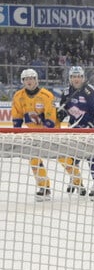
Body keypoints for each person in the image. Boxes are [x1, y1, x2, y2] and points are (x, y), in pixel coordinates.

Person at [11, 68, 69, 201]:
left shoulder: (46, 95)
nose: (29, 81)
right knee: (34, 160)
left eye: (31, 78)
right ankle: (44, 188)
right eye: (26, 79)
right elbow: (17, 115)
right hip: (32, 133)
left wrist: (45, 130)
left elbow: (50, 117)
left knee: (62, 158)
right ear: (23, 81)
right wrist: (17, 131)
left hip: (51, 131)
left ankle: (77, 181)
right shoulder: (18, 96)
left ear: (36, 80)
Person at [58, 65, 94, 197]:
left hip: (89, 130)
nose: (76, 79)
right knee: (73, 158)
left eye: (79, 76)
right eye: (74, 76)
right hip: (74, 130)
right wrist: (61, 113)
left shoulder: (90, 91)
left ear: (83, 77)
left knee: (92, 157)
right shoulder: (67, 92)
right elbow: (64, 108)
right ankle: (75, 180)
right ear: (70, 78)